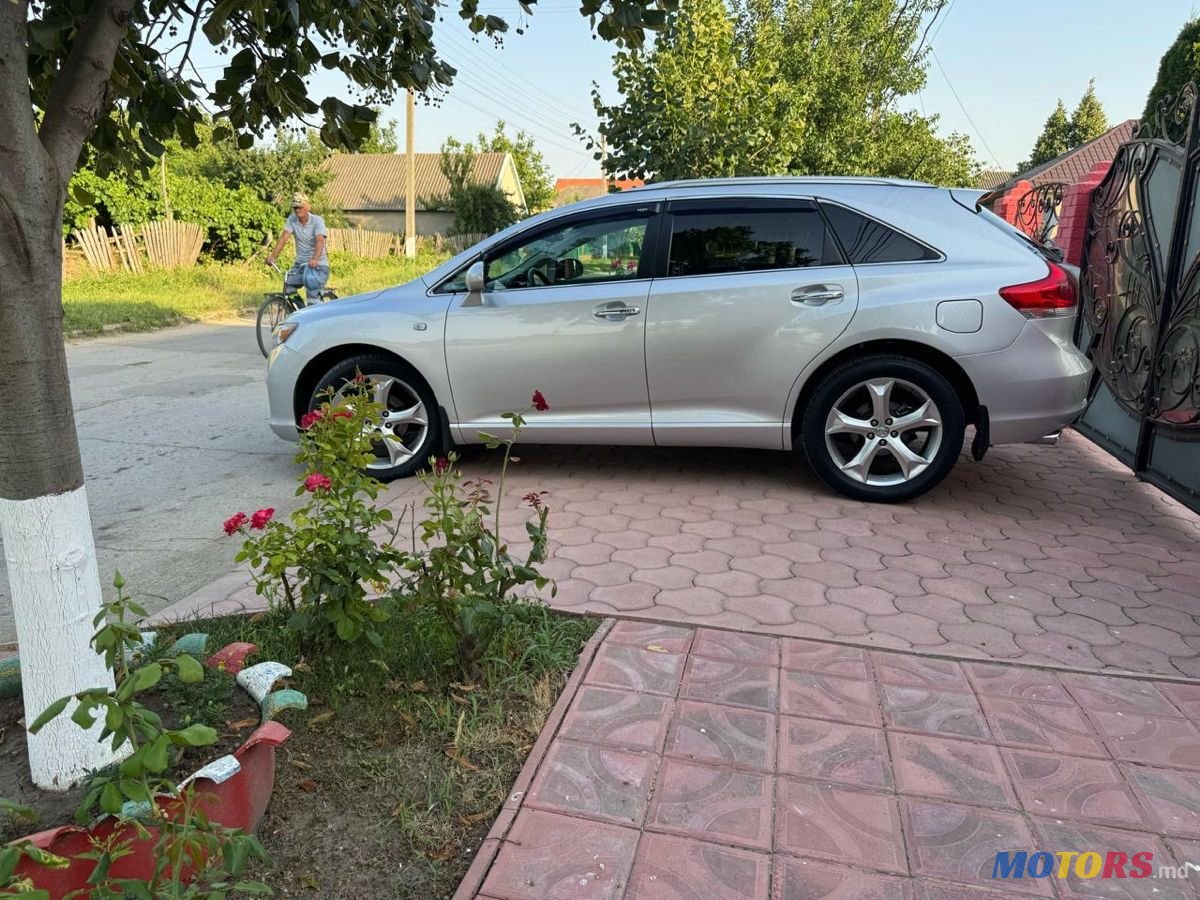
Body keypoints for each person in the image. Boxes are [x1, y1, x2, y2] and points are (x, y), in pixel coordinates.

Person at [266, 193, 329, 302]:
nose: (297, 210)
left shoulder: (317, 221)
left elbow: (320, 241)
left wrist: (315, 259)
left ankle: (313, 315)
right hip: (300, 265)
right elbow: (283, 238)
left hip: (318, 266)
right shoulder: (292, 220)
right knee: (288, 286)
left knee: (311, 290)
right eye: (295, 207)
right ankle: (299, 311)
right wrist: (273, 256)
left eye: (300, 207)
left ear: (307, 207)